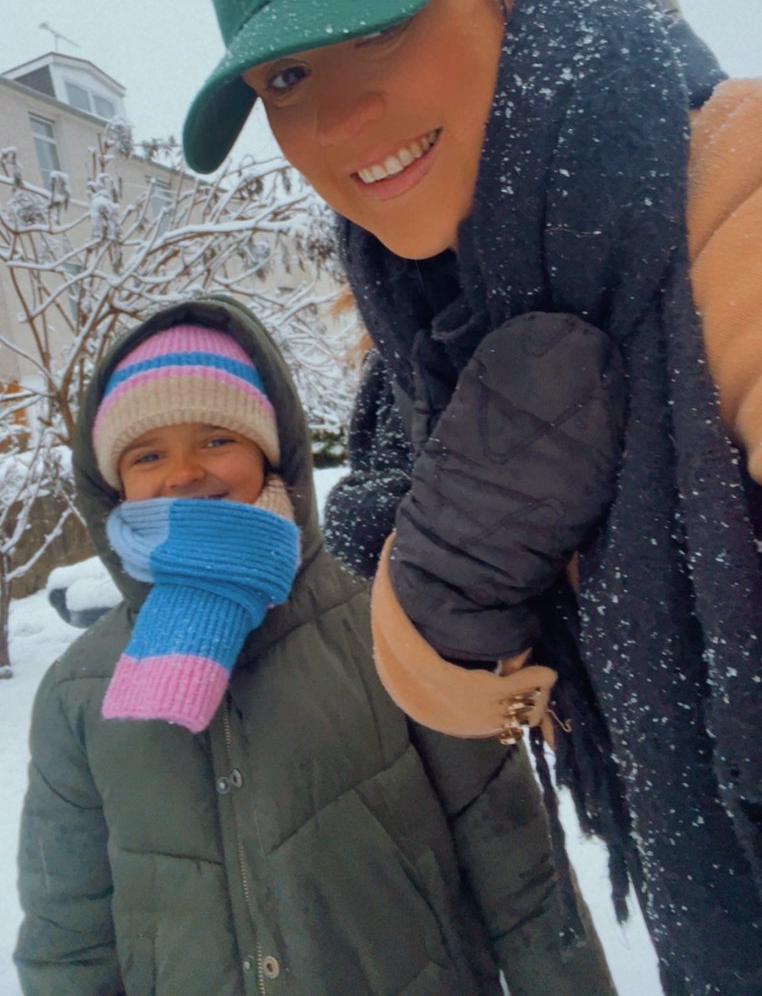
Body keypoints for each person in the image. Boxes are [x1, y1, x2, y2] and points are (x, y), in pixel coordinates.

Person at [180, 0, 762, 993]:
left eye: (382, 26)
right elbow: (444, 679)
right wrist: (455, 569)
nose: (338, 119)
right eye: (287, 72)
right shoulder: (425, 347)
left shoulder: (725, 196)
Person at [15, 296, 616, 996]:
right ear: (112, 484)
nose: (182, 473)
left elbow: (525, 879)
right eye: (147, 453)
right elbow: (67, 942)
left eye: (216, 438)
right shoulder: (79, 691)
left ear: (276, 454)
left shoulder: (390, 626)